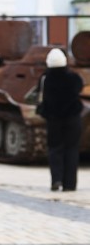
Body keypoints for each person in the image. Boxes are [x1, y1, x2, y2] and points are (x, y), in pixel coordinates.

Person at [38, 48, 84, 191]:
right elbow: (79, 88)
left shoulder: (45, 78)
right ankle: (70, 184)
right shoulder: (74, 77)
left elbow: (40, 97)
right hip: (73, 118)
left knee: (55, 149)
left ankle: (56, 179)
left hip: (53, 119)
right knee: (72, 149)